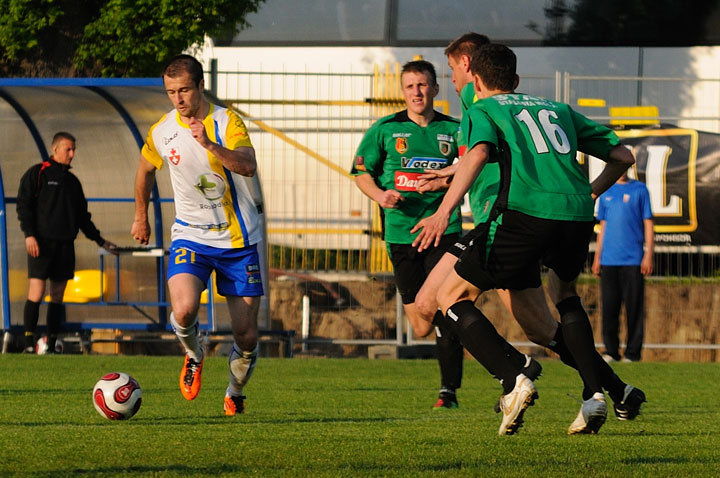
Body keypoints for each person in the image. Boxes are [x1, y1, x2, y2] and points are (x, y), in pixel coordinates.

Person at [416, 33, 645, 433]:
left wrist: (443, 211)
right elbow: (623, 156)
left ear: (474, 76)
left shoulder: (481, 106)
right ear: (516, 79)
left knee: (444, 297)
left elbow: (481, 152)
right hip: (573, 214)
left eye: (453, 71)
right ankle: (604, 392)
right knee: (554, 312)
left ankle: (514, 376)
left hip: (515, 217)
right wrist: (589, 192)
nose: (452, 79)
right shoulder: (557, 107)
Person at [131, 54, 263, 416]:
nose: (178, 99)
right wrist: (141, 216)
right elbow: (144, 171)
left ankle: (234, 391)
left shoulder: (226, 121)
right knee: (185, 309)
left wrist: (209, 144)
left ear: (200, 86)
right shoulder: (161, 130)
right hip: (191, 235)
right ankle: (193, 352)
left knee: (246, 336)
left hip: (238, 240)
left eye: (184, 90)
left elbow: (248, 166)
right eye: (171, 92)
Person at [351, 60, 467, 409]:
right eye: (410, 86)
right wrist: (381, 196)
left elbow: (470, 166)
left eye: (423, 85)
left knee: (448, 305)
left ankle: (448, 391)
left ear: (435, 88)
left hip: (444, 232)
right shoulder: (385, 129)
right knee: (420, 323)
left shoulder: (455, 129)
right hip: (402, 233)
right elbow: (360, 172)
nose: (417, 92)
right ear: (403, 92)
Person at [16, 131, 118, 354]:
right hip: (40, 243)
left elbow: (83, 217)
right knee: (37, 290)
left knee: (58, 294)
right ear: (55, 149)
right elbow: (23, 206)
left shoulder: (73, 182)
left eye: (74, 150)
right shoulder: (38, 173)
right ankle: (28, 344)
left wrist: (101, 241)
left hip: (65, 245)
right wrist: (29, 235)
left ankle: (52, 344)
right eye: (67, 149)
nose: (72, 154)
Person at [592, 170, 654, 362]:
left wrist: (648, 255)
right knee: (609, 307)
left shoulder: (640, 190)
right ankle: (611, 351)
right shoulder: (606, 192)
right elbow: (603, 227)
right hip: (609, 260)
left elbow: (649, 224)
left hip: (633, 260)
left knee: (634, 308)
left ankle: (632, 353)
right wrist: (597, 257)